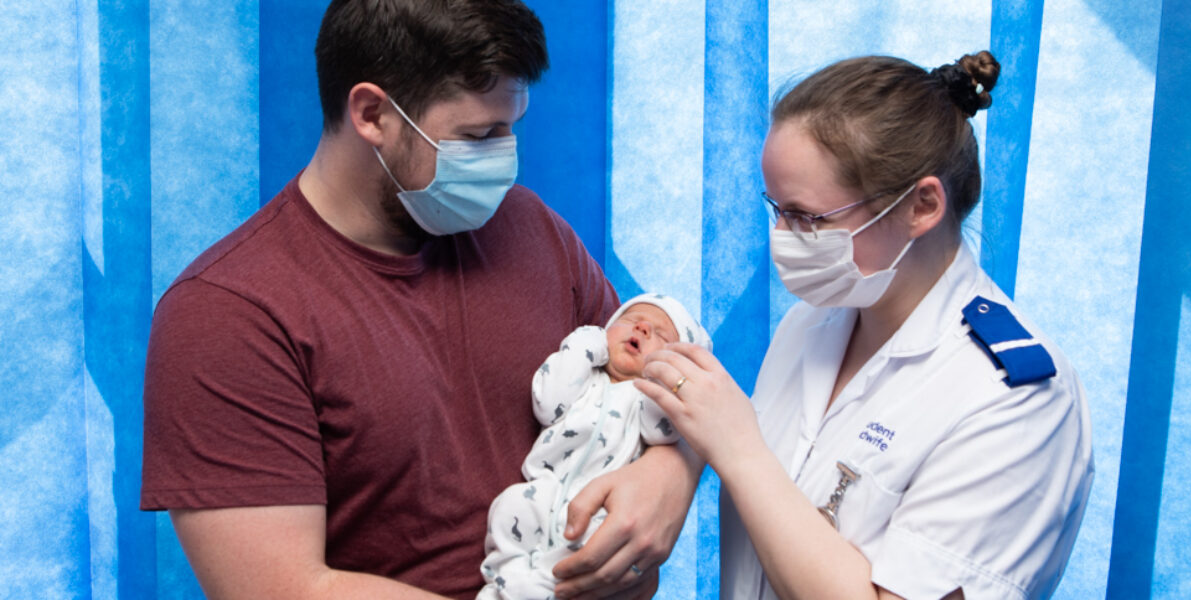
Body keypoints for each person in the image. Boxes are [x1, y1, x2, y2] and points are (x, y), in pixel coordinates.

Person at [139, 2, 699, 599]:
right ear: (372, 113)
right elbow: (281, 588)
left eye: (510, 128)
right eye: (479, 136)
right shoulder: (229, 315)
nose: (506, 159)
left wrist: (674, 473)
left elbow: (655, 389)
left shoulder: (532, 229)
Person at [637, 51, 1094, 599]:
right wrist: (672, 462)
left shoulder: (1018, 402)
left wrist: (738, 452)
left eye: (808, 217)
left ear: (921, 206)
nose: (782, 236)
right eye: (776, 208)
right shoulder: (811, 324)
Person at [480, 293, 712, 599]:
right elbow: (548, 405)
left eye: (661, 334)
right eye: (631, 320)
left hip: (598, 508)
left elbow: (663, 430)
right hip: (544, 487)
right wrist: (582, 347)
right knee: (512, 506)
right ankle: (505, 580)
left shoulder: (644, 401)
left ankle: (546, 589)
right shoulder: (584, 379)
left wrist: (664, 378)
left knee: (591, 545)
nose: (642, 328)